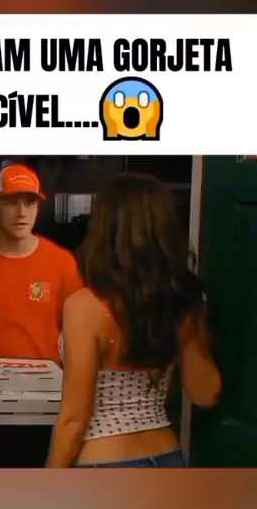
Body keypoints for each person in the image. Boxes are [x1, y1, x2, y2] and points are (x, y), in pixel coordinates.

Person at [47, 173, 222, 467]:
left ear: (105, 229)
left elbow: (75, 420)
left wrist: (45, 482)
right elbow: (206, 392)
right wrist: (191, 322)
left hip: (104, 462)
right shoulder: (180, 301)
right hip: (166, 457)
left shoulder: (85, 306)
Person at [0, 162, 83, 363]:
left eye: (29, 203)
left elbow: (78, 332)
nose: (21, 213)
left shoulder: (62, 262)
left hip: (45, 377)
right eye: (11, 203)